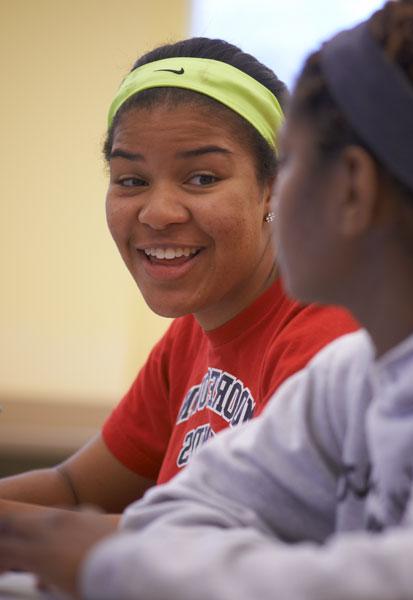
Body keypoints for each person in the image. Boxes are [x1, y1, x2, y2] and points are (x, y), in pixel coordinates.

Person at [2, 1, 413, 598]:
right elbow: (192, 510)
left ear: (351, 190)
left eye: (288, 165)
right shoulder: (358, 372)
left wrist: (115, 563)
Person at [0, 37, 356, 515]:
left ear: (273, 187)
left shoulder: (326, 336)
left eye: (202, 178)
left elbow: (217, 546)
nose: (158, 212)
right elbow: (76, 489)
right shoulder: (190, 336)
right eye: (131, 180)